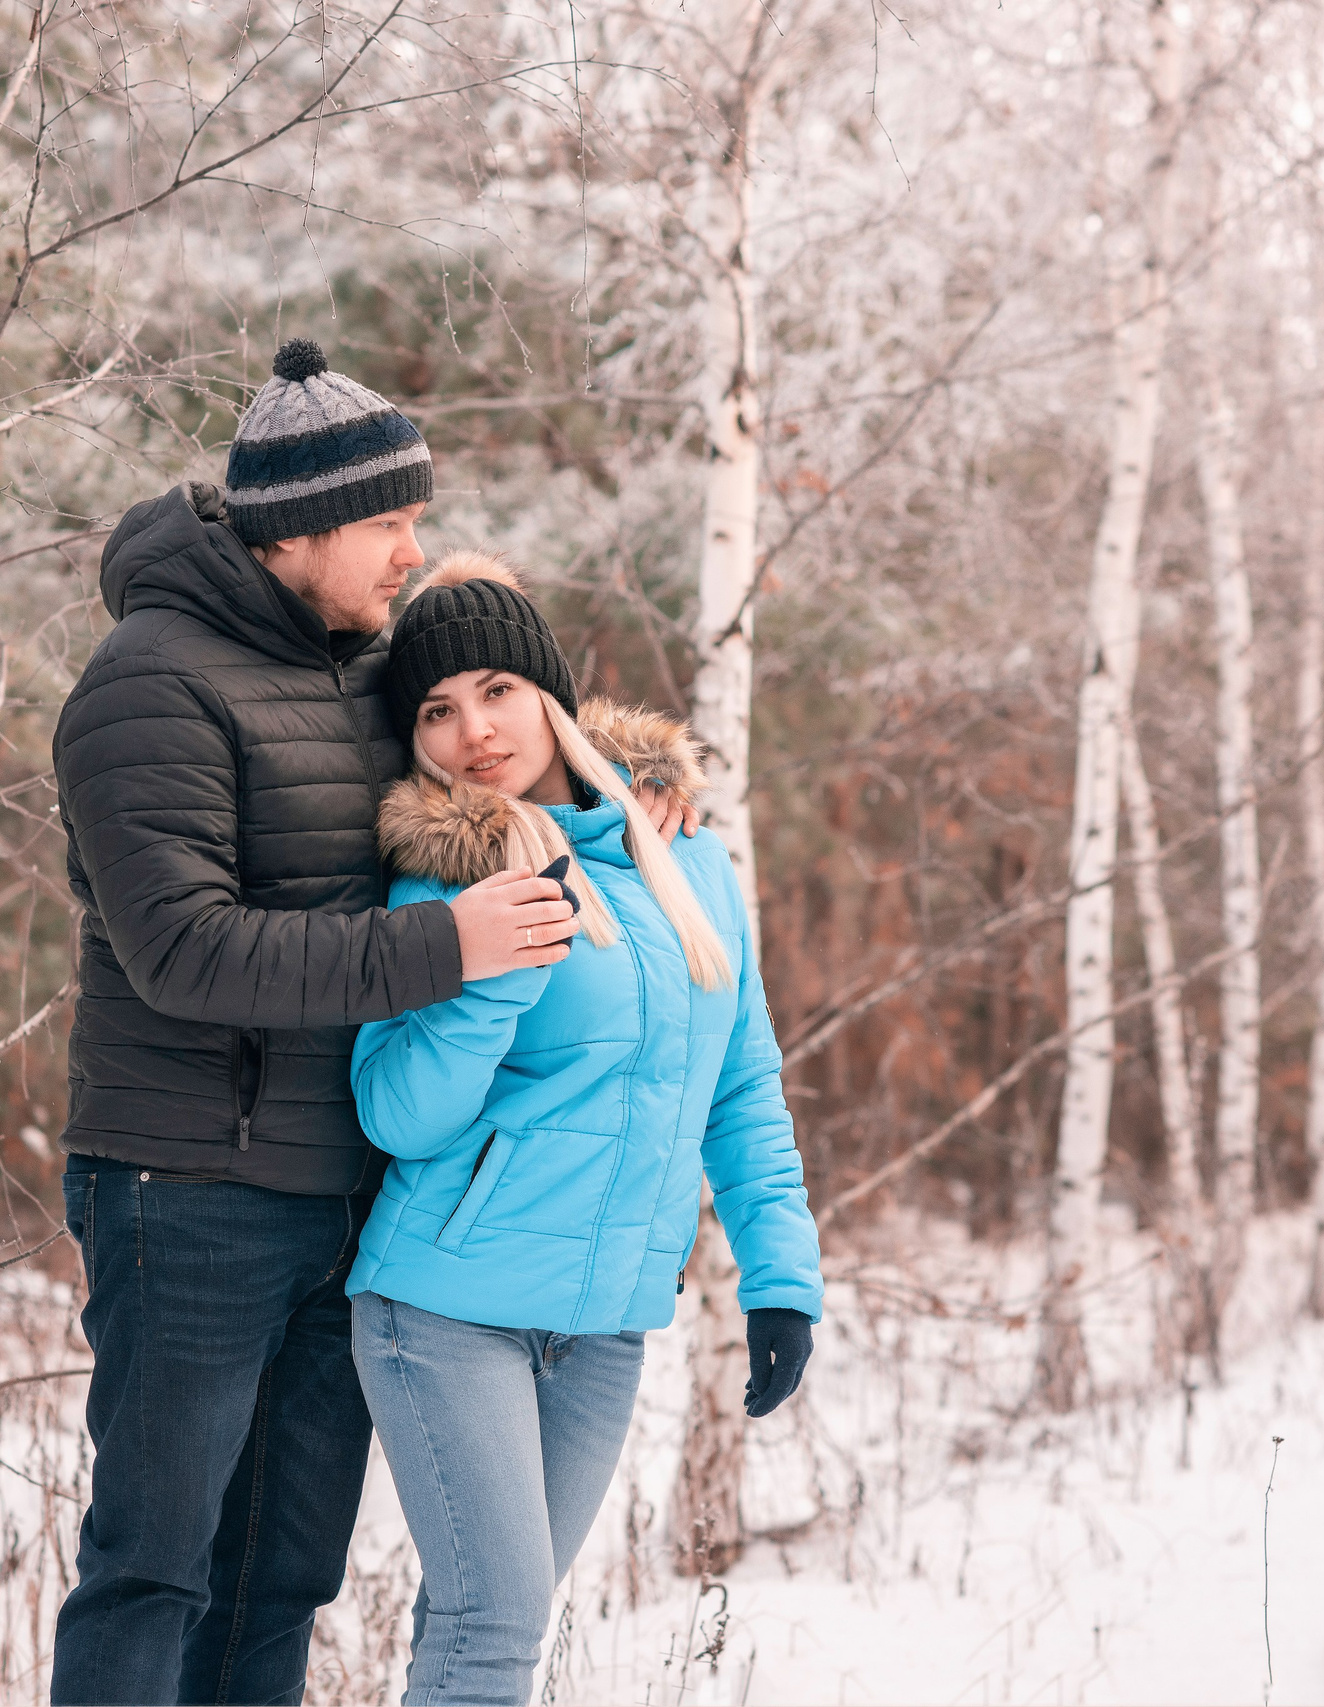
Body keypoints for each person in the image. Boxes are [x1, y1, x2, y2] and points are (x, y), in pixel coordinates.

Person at [47, 341, 693, 1705]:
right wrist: (441, 945)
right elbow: (179, 945)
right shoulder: (146, 681)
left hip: (342, 1188)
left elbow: (500, 709)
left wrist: (637, 786)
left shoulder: (355, 666)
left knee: (278, 1577)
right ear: (306, 526)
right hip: (187, 1190)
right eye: (390, 522)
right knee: (156, 1564)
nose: (415, 547)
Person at [343, 552, 825, 1707]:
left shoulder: (689, 862)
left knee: (482, 1625)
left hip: (602, 1326)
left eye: (498, 691)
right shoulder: (434, 887)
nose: (475, 731)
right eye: (437, 711)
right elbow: (398, 1116)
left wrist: (780, 1278)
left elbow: (741, 1086)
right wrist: (496, 962)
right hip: (447, 1308)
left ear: (551, 697)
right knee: (494, 1625)